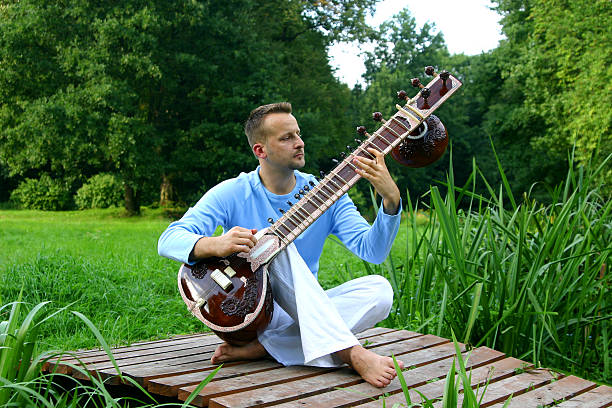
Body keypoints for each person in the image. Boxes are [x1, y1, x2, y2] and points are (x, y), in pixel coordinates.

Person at [158, 102, 404, 388]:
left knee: (379, 291)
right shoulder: (232, 192)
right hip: (248, 312)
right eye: (286, 138)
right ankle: (353, 354)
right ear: (260, 150)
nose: (299, 143)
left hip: (302, 315)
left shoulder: (325, 193)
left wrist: (391, 201)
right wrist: (216, 243)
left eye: (298, 134)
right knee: (272, 241)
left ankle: (267, 349)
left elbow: (372, 251)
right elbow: (169, 239)